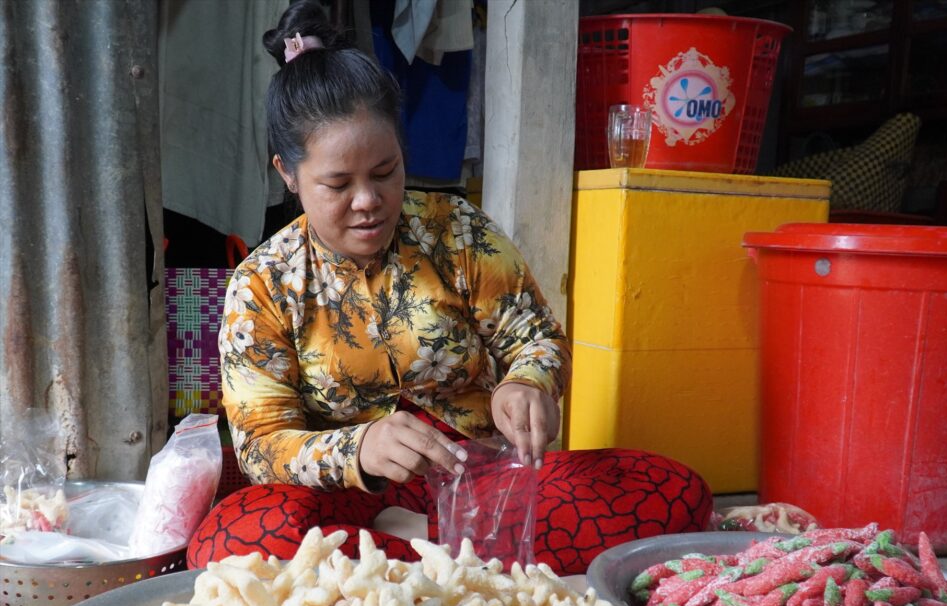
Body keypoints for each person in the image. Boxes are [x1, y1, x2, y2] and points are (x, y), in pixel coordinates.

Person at [187, 0, 712, 575]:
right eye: (337, 184)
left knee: (670, 489)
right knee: (229, 541)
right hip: (348, 495)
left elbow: (532, 335)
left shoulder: (455, 229)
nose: (368, 200)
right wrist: (357, 448)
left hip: (480, 480)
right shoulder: (262, 283)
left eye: (385, 172)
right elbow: (263, 442)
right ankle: (464, 555)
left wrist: (527, 384)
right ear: (287, 173)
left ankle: (403, 555)